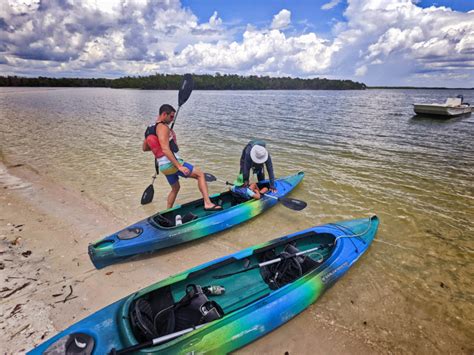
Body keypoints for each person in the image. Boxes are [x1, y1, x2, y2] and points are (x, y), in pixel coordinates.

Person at [142, 104, 222, 210]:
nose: (172, 120)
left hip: (163, 167)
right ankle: (207, 203)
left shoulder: (149, 129)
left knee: (175, 188)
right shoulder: (163, 127)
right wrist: (179, 166)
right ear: (164, 114)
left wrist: (164, 142)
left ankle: (168, 211)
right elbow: (166, 149)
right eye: (171, 117)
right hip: (172, 164)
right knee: (200, 175)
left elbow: (145, 148)